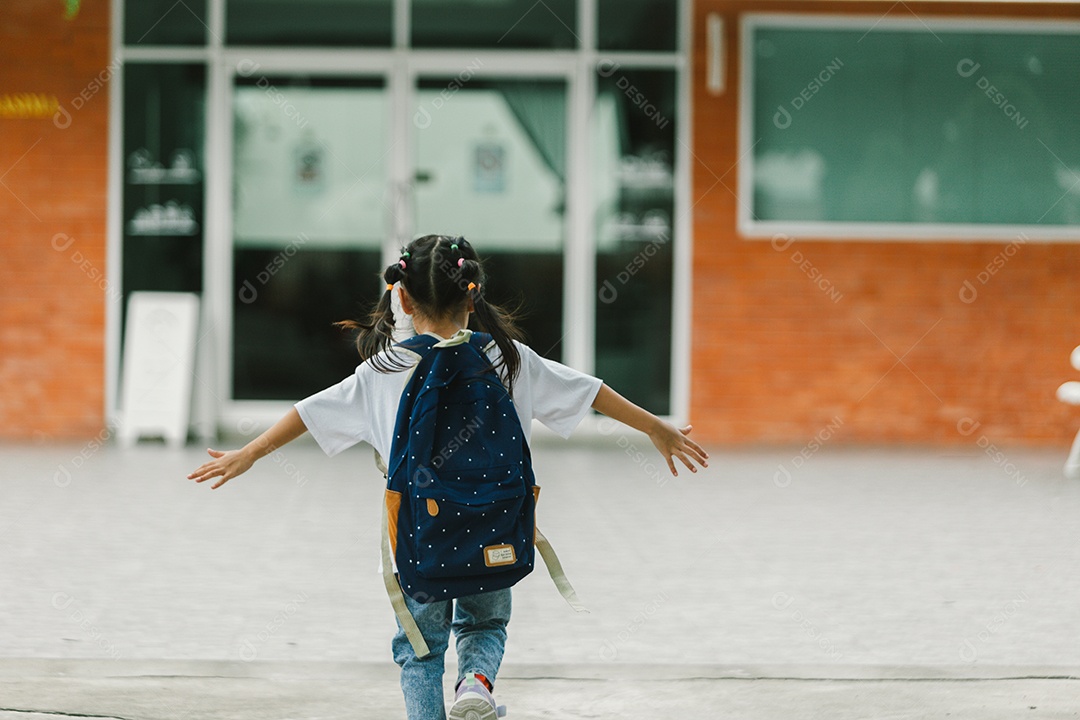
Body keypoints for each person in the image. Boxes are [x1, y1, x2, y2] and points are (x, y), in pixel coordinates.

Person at [188, 234, 708, 720]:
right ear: (473, 296)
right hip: (496, 529)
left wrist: (249, 453)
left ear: (403, 300)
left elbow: (308, 413)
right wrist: (656, 430)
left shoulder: (382, 371)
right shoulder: (509, 359)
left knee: (419, 647)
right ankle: (477, 683)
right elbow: (592, 392)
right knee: (484, 623)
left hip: (417, 537)